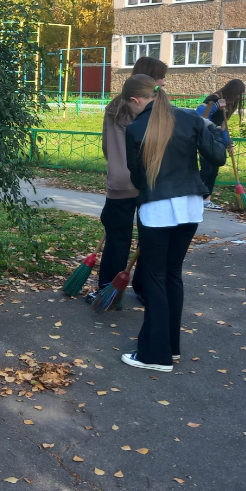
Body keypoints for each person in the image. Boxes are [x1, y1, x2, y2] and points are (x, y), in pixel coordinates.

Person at [121, 75, 227, 373]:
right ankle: (171, 348)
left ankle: (155, 355)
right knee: (172, 275)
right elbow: (217, 158)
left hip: (157, 209)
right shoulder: (189, 119)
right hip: (191, 208)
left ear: (136, 100)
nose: (130, 111)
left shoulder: (134, 129)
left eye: (129, 105)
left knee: (155, 279)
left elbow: (136, 177)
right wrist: (215, 129)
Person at [87, 56, 168, 305]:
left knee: (117, 236)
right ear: (150, 78)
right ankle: (145, 290)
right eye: (161, 77)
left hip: (120, 181)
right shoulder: (154, 108)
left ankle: (107, 290)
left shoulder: (115, 105)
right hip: (149, 181)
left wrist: (114, 163)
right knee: (151, 238)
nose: (164, 82)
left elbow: (105, 144)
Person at [196, 80, 246, 211]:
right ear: (232, 91)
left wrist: (229, 143)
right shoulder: (214, 98)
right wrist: (217, 105)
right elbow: (201, 115)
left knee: (213, 171)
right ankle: (196, 198)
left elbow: (224, 126)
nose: (239, 97)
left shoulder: (228, 105)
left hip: (218, 138)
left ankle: (206, 200)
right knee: (206, 170)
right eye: (238, 94)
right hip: (207, 136)